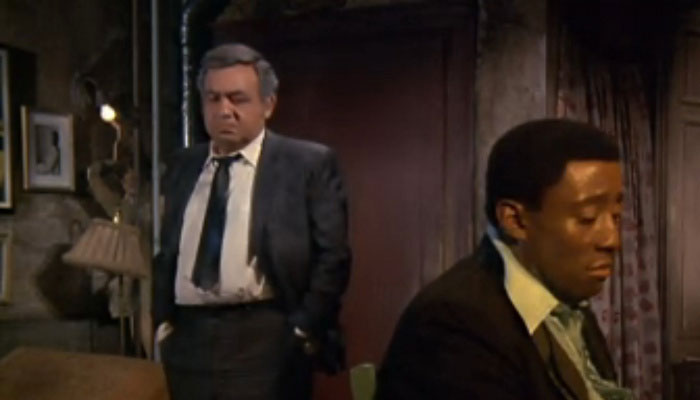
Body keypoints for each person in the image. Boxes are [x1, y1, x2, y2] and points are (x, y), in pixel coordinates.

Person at [376, 119, 634, 400]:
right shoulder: (455, 323)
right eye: (588, 218)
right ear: (515, 220)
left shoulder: (566, 303)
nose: (612, 240)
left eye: (616, 217)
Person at [153, 43, 351, 400]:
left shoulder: (305, 163)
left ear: (268, 105)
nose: (224, 110)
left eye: (237, 99)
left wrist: (302, 328)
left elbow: (333, 257)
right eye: (213, 99)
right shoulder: (183, 164)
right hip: (188, 339)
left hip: (265, 337)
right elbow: (168, 248)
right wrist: (163, 322)